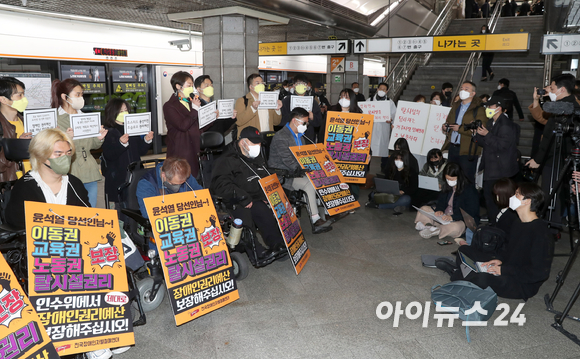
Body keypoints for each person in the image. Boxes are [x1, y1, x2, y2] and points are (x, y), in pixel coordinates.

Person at [444, 182, 553, 301]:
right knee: (464, 250)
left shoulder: (541, 233)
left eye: (517, 195)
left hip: (520, 284)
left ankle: (460, 274)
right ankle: (463, 275)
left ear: (528, 201)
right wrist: (500, 260)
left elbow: (539, 273)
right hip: (507, 268)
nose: (512, 197)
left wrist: (503, 270)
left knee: (483, 278)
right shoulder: (517, 223)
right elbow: (510, 250)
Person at [210, 126, 286, 260]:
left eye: (259, 142)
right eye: (254, 143)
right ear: (243, 142)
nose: (258, 146)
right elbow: (220, 184)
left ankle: (277, 244)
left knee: (264, 212)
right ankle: (257, 252)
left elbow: (264, 176)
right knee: (245, 216)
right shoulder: (227, 159)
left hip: (253, 197)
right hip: (235, 199)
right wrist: (242, 197)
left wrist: (264, 195)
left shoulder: (255, 156)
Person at [268, 108, 348, 234]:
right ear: (294, 121)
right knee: (310, 182)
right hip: (284, 174)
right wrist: (307, 171)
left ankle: (329, 212)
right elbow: (288, 162)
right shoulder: (281, 137)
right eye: (304, 123)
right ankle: (315, 219)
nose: (306, 126)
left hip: (298, 171)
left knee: (325, 175)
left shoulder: (301, 137)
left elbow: (304, 157)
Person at [5, 128, 89, 229]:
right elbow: (18, 225)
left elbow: (88, 219)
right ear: (40, 155)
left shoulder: (75, 184)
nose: (65, 158)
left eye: (68, 153)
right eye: (58, 154)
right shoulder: (24, 187)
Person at [526, 74, 579, 224]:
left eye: (553, 88)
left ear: (562, 90)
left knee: (551, 194)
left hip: (555, 159)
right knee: (561, 194)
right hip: (568, 157)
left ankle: (550, 226)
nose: (550, 91)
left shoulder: (561, 108)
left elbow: (549, 137)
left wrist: (537, 160)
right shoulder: (574, 106)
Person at [51, 78, 107, 208]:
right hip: (69, 172)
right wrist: (65, 139)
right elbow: (49, 148)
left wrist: (99, 138)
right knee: (74, 212)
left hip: (90, 171)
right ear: (64, 97)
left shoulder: (86, 117)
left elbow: (91, 146)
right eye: (77, 95)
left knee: (91, 211)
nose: (81, 98)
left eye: (81, 95)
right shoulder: (55, 120)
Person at [475, 96, 519, 224]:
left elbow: (502, 146)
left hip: (499, 170)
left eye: (490, 106)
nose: (487, 108)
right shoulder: (491, 122)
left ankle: (497, 225)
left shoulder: (505, 125)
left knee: (497, 199)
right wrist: (477, 134)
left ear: (498, 108)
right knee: (489, 198)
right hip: (491, 167)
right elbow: (487, 143)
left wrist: (487, 135)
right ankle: (493, 222)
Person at [102, 98, 153, 206]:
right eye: (121, 111)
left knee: (137, 204)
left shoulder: (132, 128)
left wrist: (146, 140)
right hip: (119, 177)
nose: (124, 113)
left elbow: (140, 151)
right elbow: (109, 155)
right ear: (113, 112)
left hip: (136, 174)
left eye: (126, 110)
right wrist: (121, 144)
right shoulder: (107, 131)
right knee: (122, 208)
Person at [414, 162, 479, 239]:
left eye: (452, 179)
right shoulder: (447, 186)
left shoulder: (469, 190)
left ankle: (436, 230)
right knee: (423, 209)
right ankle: (426, 226)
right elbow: (441, 201)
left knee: (455, 228)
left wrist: (453, 217)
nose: (449, 181)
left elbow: (471, 212)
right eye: (447, 179)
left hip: (459, 219)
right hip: (444, 217)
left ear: (459, 177)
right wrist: (439, 210)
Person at [163, 71, 209, 179]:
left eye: (192, 85)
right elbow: (182, 125)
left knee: (198, 183)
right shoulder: (169, 106)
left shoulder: (191, 102)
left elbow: (200, 127)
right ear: (178, 86)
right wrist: (195, 109)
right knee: (183, 181)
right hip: (181, 151)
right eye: (189, 85)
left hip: (197, 149)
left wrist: (211, 117)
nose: (192, 88)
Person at [442, 81, 487, 183]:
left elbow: (479, 130)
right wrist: (445, 126)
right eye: (461, 89)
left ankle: (467, 198)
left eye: (466, 89)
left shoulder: (479, 109)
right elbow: (449, 121)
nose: (463, 91)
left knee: (466, 179)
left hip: (468, 150)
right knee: (451, 177)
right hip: (453, 147)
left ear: (473, 93)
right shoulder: (456, 105)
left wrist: (460, 129)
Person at [136, 157, 203, 219]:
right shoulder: (146, 184)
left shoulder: (184, 174)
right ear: (163, 175)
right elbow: (148, 213)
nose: (178, 187)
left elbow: (201, 197)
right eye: (174, 184)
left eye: (182, 183)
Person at [0, 77, 33, 180]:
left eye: (23, 94)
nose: (24, 99)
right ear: (3, 99)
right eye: (19, 95)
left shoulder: (27, 121)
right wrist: (17, 147)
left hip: (33, 180)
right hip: (11, 185)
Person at [280, 74, 322, 142]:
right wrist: (292, 117)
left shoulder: (312, 101)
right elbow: (281, 121)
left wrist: (312, 117)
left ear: (307, 86)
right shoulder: (286, 100)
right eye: (298, 83)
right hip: (290, 137)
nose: (301, 85)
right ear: (294, 86)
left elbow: (319, 122)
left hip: (308, 137)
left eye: (303, 83)